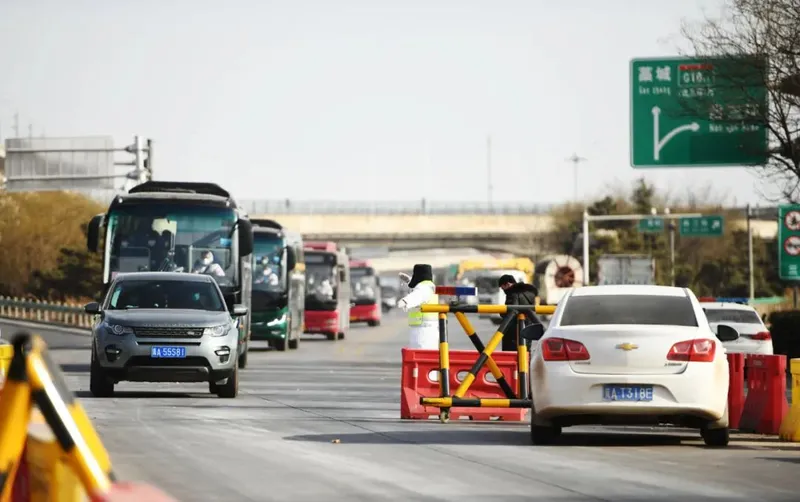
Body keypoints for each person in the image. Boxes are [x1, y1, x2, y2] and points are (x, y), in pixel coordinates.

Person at [397, 264, 439, 349]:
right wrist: (409, 281)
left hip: (424, 331)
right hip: (423, 329)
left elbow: (417, 295)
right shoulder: (428, 287)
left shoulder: (425, 288)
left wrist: (406, 301)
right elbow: (417, 290)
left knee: (423, 356)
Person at [498, 274, 540, 352]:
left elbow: (511, 312)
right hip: (527, 328)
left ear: (508, 284)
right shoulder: (529, 293)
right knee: (525, 353)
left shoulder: (513, 294)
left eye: (502, 287)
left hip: (513, 331)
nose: (503, 290)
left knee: (512, 355)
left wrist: (502, 312)